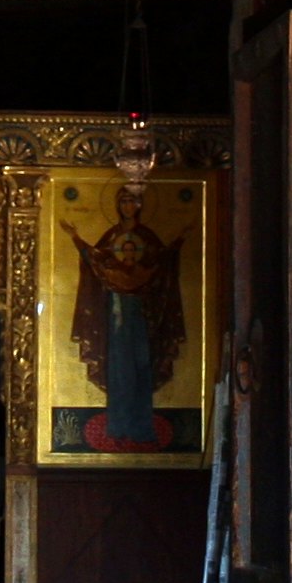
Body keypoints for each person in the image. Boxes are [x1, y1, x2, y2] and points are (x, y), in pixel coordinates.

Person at [63, 184, 188, 451]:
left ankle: (142, 428)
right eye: (124, 201)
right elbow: (96, 261)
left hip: (143, 320)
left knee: (142, 369)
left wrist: (178, 241)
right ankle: (118, 426)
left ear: (140, 205)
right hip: (116, 320)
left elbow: (161, 262)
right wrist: (75, 238)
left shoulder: (147, 237)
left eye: (133, 201)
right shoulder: (111, 238)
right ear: (118, 206)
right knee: (119, 371)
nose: (128, 206)